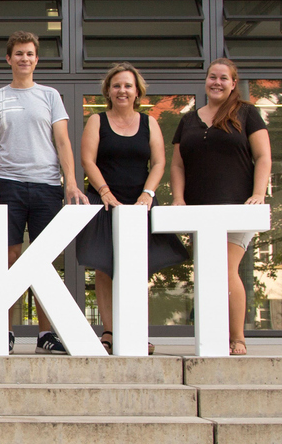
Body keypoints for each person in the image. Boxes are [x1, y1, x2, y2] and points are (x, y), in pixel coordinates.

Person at [0, 30, 87, 354]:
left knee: (43, 262)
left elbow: (63, 142)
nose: (24, 58)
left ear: (36, 59)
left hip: (47, 186)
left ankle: (45, 335)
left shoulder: (50, 96)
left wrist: (70, 181)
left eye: (29, 54)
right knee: (8, 259)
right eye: (19, 53)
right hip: (8, 185)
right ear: (8, 59)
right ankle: (5, 332)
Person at [77, 62, 188, 354]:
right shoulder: (97, 121)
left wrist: (148, 194)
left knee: (138, 270)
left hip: (141, 204)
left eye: (128, 85)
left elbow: (159, 162)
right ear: (108, 91)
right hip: (104, 202)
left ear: (137, 91)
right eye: (116, 85)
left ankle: (136, 331)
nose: (122, 90)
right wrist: (105, 192)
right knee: (104, 268)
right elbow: (87, 160)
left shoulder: (149, 123)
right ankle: (110, 332)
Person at [170, 58, 271, 356]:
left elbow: (263, 156)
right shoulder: (189, 120)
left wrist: (258, 193)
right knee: (208, 273)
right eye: (212, 77)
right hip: (200, 212)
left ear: (233, 83)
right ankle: (214, 336)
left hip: (237, 207)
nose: (217, 82)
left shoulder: (247, 113)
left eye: (223, 78)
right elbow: (177, 164)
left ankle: (237, 337)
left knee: (226, 268)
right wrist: (178, 198)